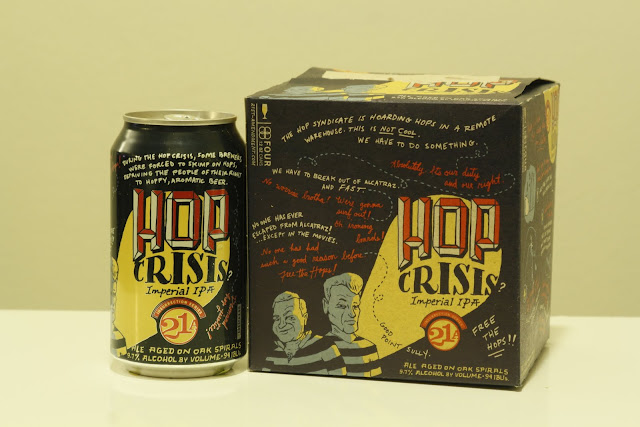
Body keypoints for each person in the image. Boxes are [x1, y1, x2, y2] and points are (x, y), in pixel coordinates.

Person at [264, 291, 345, 375]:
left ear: (304, 318)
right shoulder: (272, 356)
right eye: (277, 319)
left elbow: (340, 381)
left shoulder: (325, 346)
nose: (281, 325)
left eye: (290, 317)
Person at [322, 273, 381, 377]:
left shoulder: (369, 347)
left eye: (355, 306)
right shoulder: (319, 347)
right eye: (342, 306)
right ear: (326, 306)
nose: (352, 313)